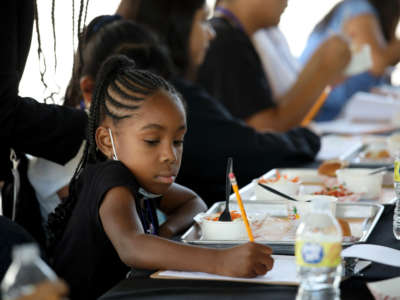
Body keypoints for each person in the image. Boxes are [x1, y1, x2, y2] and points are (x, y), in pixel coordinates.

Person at [47, 53, 274, 299]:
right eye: (152, 141)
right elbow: (132, 246)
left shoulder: (141, 180)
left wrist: (166, 230)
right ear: (106, 141)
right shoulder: (111, 179)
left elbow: (193, 202)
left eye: (177, 141)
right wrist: (220, 261)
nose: (170, 155)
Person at [116, 0, 321, 204]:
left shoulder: (142, 87)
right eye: (203, 21)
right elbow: (248, 152)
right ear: (177, 27)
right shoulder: (167, 98)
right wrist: (308, 137)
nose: (210, 33)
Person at [192, 0, 350, 132]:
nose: (287, 2)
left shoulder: (253, 37)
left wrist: (321, 66)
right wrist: (322, 71)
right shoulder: (226, 41)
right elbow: (264, 132)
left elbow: (282, 105)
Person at [301, 0, 400, 121]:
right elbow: (376, 63)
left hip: (343, 111)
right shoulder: (357, 7)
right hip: (323, 114)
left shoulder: (378, 15)